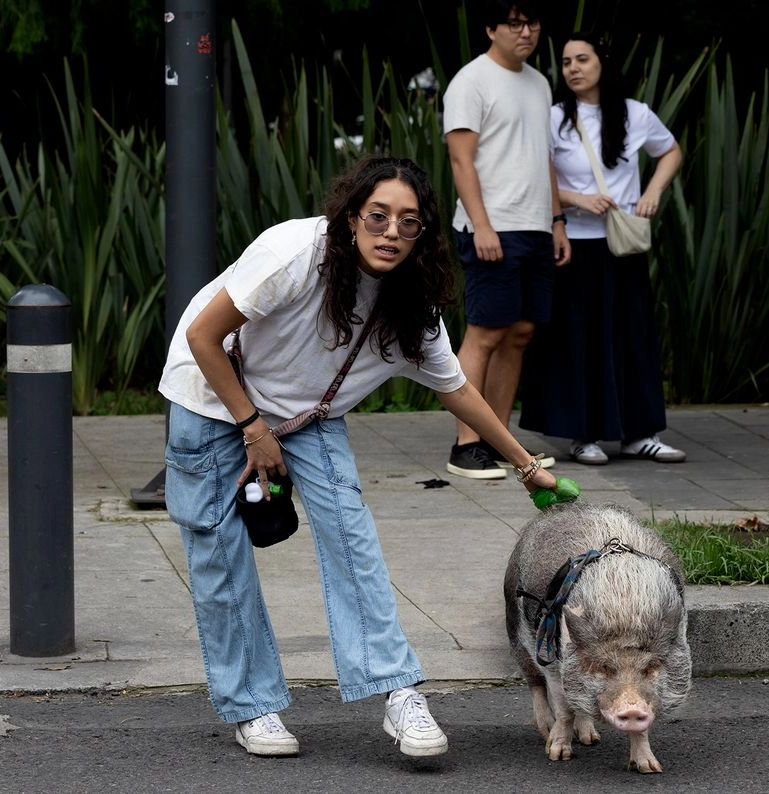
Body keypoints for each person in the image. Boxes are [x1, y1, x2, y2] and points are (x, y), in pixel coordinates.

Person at [158, 154, 561, 759]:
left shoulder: (411, 304)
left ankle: (399, 694)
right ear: (351, 217)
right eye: (378, 216)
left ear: (423, 232)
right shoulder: (295, 253)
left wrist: (526, 465)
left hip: (305, 413)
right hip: (214, 394)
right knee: (219, 557)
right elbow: (202, 337)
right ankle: (255, 708)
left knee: (354, 541)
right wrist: (251, 427)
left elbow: (458, 390)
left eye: (409, 221)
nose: (391, 232)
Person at [519, 31, 686, 465]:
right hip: (574, 244)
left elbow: (670, 152)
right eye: (566, 61)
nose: (572, 68)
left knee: (632, 335)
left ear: (602, 64)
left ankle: (639, 434)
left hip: (623, 243)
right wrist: (577, 200)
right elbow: (540, 176)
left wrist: (652, 192)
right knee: (577, 339)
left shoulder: (636, 114)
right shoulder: (554, 117)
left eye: (582, 59)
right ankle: (582, 435)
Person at [441, 0, 570, 480]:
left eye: (533, 22)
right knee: (485, 333)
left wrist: (557, 220)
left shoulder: (538, 83)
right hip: (491, 227)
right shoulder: (470, 81)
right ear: (491, 28)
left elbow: (545, 157)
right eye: (514, 23)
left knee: (519, 334)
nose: (526, 31)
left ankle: (501, 442)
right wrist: (482, 225)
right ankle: (466, 445)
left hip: (535, 227)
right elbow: (461, 160)